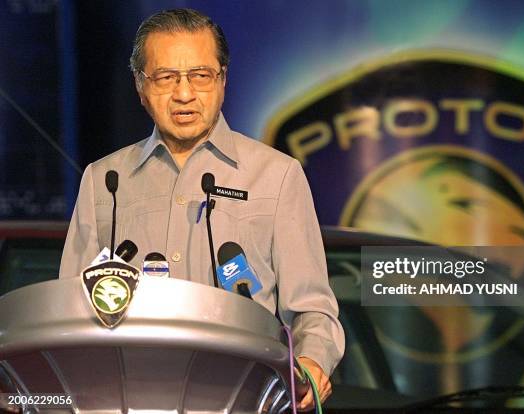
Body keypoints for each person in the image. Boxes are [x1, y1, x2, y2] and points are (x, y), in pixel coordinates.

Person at [59, 8, 344, 410]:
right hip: (129, 399)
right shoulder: (104, 180)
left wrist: (311, 364)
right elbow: (71, 313)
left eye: (200, 75)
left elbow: (312, 310)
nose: (184, 93)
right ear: (141, 86)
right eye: (166, 77)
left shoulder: (276, 176)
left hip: (242, 398)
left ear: (223, 80)